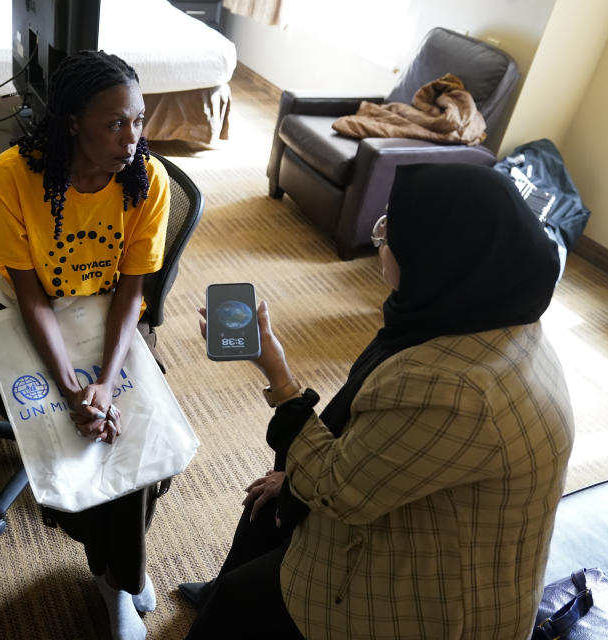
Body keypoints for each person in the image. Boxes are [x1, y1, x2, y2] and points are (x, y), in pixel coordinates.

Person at [183, 163, 574, 639]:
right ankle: (227, 584)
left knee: (234, 608)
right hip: (425, 510)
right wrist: (294, 476)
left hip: (431, 606)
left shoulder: (451, 389)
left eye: (393, 232)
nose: (381, 238)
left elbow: (336, 489)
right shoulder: (494, 314)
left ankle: (226, 597)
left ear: (436, 257)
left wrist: (279, 377)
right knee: (269, 500)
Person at [0, 50, 170, 640]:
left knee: (145, 438)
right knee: (83, 451)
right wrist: (72, 388)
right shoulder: (10, 177)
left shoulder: (144, 179)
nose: (133, 137)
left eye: (139, 119)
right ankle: (120, 580)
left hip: (106, 314)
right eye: (115, 123)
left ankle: (118, 573)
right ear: (72, 122)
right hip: (22, 317)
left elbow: (132, 294)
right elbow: (31, 300)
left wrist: (103, 384)